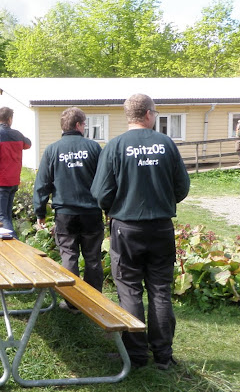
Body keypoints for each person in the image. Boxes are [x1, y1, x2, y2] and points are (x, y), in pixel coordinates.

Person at [91, 93, 190, 370]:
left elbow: (100, 192)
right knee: (160, 290)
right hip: (160, 227)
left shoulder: (115, 146)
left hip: (126, 228)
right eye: (155, 113)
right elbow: (182, 186)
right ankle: (162, 355)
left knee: (129, 290)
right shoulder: (166, 144)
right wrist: (162, 201)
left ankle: (135, 355)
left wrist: (117, 206)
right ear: (148, 114)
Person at [33, 107, 104, 313]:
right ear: (79, 125)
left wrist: (40, 212)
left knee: (69, 255)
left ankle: (72, 301)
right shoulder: (94, 148)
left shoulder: (52, 150)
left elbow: (42, 184)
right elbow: (105, 180)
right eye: (84, 124)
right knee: (92, 257)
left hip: (65, 213)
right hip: (91, 212)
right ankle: (93, 300)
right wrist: (108, 207)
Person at [0, 107, 32, 232]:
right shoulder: (17, 134)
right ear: (10, 119)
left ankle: (13, 241)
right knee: (6, 216)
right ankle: (9, 240)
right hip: (13, 181)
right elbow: (28, 144)